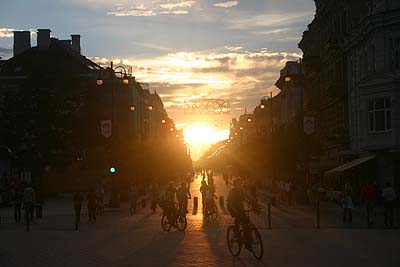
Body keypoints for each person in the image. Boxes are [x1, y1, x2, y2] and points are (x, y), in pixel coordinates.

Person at [227, 178, 259, 251]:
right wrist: (236, 211)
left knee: (247, 225)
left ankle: (247, 240)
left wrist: (256, 205)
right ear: (235, 185)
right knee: (241, 223)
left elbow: (250, 197)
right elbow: (230, 203)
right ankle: (240, 238)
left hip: (241, 209)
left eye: (241, 183)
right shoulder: (232, 192)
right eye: (238, 184)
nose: (240, 185)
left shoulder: (242, 191)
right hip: (233, 209)